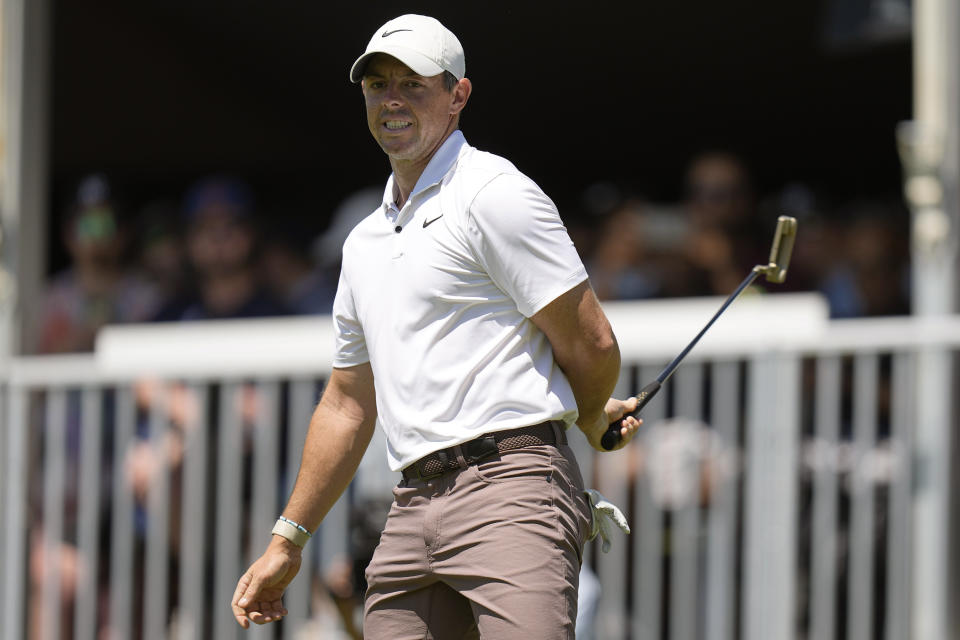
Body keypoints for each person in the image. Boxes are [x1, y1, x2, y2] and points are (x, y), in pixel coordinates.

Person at [231, 14, 640, 638]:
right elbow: (345, 405)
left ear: (458, 95)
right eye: (377, 85)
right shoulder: (363, 242)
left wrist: (586, 413)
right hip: (408, 507)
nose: (391, 100)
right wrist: (288, 539)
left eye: (413, 83)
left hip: (513, 490)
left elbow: (591, 339)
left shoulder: (494, 193)